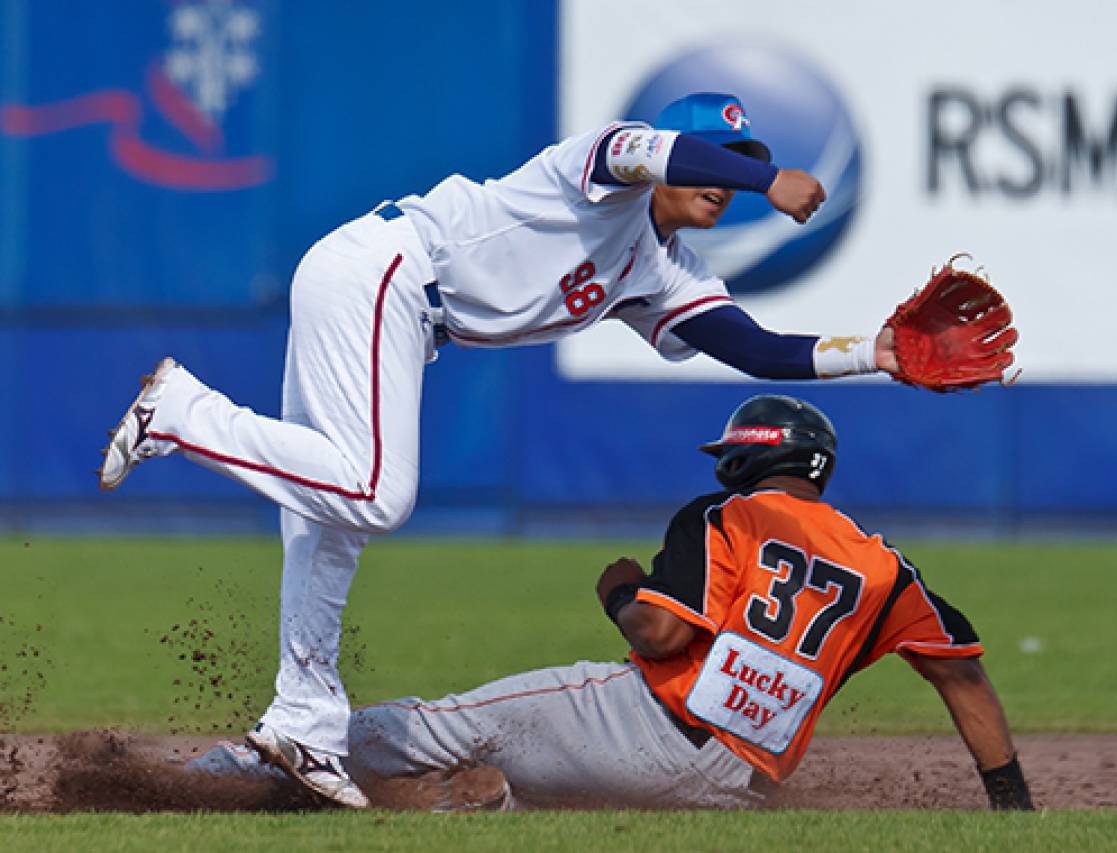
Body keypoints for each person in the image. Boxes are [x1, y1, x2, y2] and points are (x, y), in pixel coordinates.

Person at [99, 92, 905, 809]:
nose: (726, 179)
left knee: (330, 525)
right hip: (385, 271)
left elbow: (757, 348)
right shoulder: (601, 168)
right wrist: (770, 179)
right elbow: (659, 151)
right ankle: (182, 414)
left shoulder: (665, 273)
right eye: (719, 158)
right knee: (377, 493)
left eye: (745, 160)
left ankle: (300, 722)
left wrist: (877, 352)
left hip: (397, 305)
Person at [336, 394, 1033, 810]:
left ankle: (288, 755)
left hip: (641, 726)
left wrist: (619, 592)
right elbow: (963, 677)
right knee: (546, 794)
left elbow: (662, 633)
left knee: (433, 727)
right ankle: (481, 806)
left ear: (748, 456)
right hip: (740, 788)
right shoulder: (886, 569)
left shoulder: (726, 514)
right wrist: (1011, 806)